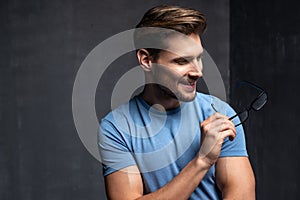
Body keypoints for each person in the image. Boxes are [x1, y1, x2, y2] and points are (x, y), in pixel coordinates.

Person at [98, 5, 255, 200]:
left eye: (199, 58)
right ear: (146, 60)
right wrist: (202, 160)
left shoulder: (220, 114)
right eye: (182, 61)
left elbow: (242, 195)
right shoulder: (116, 128)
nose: (197, 71)